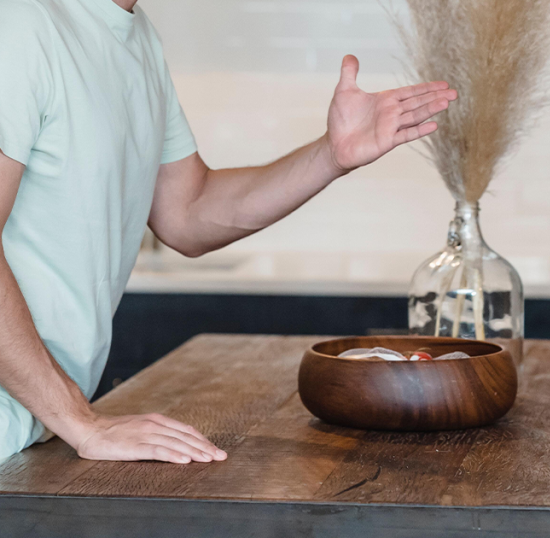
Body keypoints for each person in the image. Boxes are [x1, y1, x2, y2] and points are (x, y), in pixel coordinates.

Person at [0, 0, 456, 465]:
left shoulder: (137, 39)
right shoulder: (21, 23)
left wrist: (330, 155)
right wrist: (81, 421)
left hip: (32, 428)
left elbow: (187, 211)